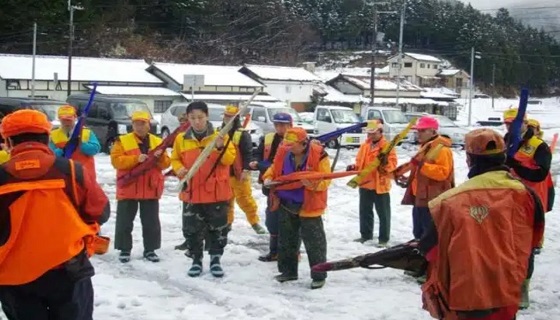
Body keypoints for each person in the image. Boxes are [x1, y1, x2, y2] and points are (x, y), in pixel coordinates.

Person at [417, 128, 544, 320]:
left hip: (464, 300)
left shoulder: (449, 202)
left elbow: (430, 249)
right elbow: (534, 242)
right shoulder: (528, 196)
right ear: (503, 157)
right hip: (507, 293)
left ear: (469, 160)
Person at [0, 109, 109, 320]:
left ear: (9, 141)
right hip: (68, 269)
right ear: (47, 136)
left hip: (14, 275)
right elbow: (100, 211)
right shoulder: (72, 170)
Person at [170, 101, 236, 278]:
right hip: (192, 193)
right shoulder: (181, 139)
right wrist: (179, 169)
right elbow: (175, 159)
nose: (197, 121)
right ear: (188, 119)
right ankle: (196, 260)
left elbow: (229, 160)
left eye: (200, 117)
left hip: (216, 193)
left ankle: (215, 259)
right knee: (192, 229)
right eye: (193, 118)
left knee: (218, 229)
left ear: (207, 116)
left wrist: (220, 146)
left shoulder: (220, 136)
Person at [263, 127, 331, 289]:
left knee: (315, 243)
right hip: (286, 204)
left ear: (303, 143)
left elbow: (326, 179)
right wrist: (268, 178)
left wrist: (314, 184)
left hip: (309, 205)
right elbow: (273, 169)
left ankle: (318, 275)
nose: (289, 147)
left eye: (292, 144)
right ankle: (288, 272)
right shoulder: (284, 152)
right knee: (286, 241)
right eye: (287, 144)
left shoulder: (320, 155)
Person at [394, 116, 454, 282]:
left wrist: (421, 166)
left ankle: (431, 270)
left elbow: (443, 173)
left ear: (433, 131)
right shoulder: (427, 147)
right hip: (421, 198)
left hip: (433, 200)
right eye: (418, 131)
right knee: (420, 234)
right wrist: (410, 179)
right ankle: (421, 266)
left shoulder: (442, 149)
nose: (418, 134)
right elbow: (421, 170)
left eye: (422, 130)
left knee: (431, 236)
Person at [503, 109, 551, 308]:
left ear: (525, 123)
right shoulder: (506, 141)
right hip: (506, 200)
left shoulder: (539, 146)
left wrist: (515, 165)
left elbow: (539, 174)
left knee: (526, 247)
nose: (509, 127)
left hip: (530, 203)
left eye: (513, 123)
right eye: (506, 123)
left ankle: (523, 288)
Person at [110, 111, 170, 263]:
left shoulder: (158, 142)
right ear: (132, 125)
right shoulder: (122, 141)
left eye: (143, 123)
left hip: (151, 187)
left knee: (151, 222)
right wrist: (136, 159)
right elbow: (117, 161)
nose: (140, 126)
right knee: (124, 221)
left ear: (149, 125)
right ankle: (124, 249)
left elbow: (166, 164)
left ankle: (150, 250)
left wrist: (160, 157)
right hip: (129, 186)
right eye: (136, 123)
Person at [249, 112, 293, 262]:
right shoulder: (268, 138)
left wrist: (260, 165)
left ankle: (292, 253)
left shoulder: (297, 141)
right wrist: (255, 162)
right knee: (272, 220)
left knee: (290, 223)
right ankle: (274, 252)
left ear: (290, 125)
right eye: (277, 125)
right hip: (271, 187)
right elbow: (258, 154)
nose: (279, 128)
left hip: (290, 189)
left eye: (283, 125)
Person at [347, 120, 397, 247]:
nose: (371, 136)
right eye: (369, 134)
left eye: (374, 134)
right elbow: (360, 163)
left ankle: (383, 239)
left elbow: (393, 165)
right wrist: (354, 167)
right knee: (365, 212)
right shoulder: (364, 146)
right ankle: (365, 235)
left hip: (380, 185)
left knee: (383, 214)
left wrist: (385, 163)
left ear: (381, 132)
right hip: (365, 184)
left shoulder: (388, 147)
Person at [222, 105, 266, 234]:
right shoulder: (220, 132)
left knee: (245, 199)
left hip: (238, 173)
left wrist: (246, 170)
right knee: (225, 201)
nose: (227, 119)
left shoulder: (242, 134)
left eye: (230, 117)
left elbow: (248, 153)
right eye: (226, 116)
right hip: (224, 173)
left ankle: (254, 222)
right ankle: (227, 222)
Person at [49, 105, 101, 180]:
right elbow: (50, 155)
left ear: (75, 118)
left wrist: (81, 145)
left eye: (69, 120)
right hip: (63, 175)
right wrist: (62, 150)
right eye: (64, 120)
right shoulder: (53, 134)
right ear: (59, 119)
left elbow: (95, 149)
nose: (67, 123)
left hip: (84, 175)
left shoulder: (86, 132)